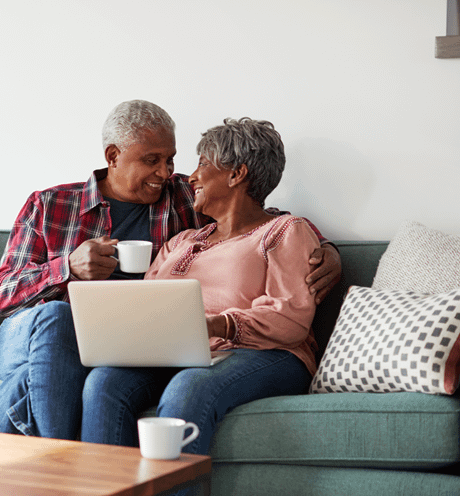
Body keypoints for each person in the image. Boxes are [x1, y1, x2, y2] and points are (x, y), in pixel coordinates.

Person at [0, 101, 340, 441]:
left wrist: (326, 249)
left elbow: (259, 219)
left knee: (55, 383)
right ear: (113, 156)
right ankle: (59, 460)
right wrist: (67, 267)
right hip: (32, 333)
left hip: (118, 342)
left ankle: (39, 472)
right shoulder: (50, 205)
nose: (166, 172)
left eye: (170, 159)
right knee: (58, 318)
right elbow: (0, 295)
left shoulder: (181, 195)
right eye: (151, 160)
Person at [79, 118, 318, 454]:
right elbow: (147, 303)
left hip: (266, 354)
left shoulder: (283, 231)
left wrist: (215, 324)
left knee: (187, 389)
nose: (190, 176)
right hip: (179, 352)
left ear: (237, 174)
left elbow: (291, 318)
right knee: (104, 383)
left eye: (203, 164)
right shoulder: (182, 242)